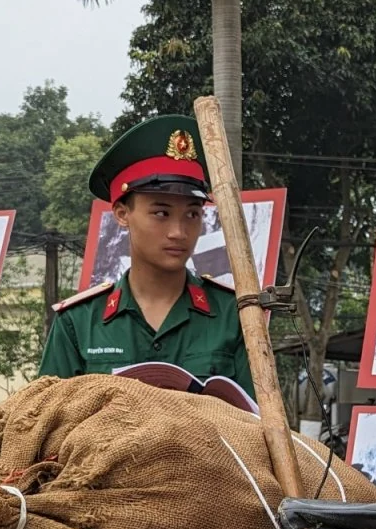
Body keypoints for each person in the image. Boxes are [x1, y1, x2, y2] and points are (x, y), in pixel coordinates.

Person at [38, 115, 248, 386]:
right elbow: (42, 419)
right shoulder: (78, 323)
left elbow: (256, 423)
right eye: (161, 213)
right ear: (122, 213)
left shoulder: (235, 315)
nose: (178, 231)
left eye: (192, 215)